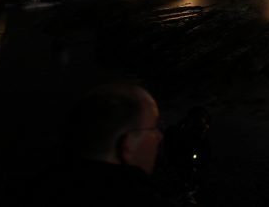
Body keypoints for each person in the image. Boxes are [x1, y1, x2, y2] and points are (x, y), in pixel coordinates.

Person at [28, 83, 167, 206]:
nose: (159, 137)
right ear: (128, 144)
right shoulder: (141, 199)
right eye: (153, 128)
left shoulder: (35, 191)